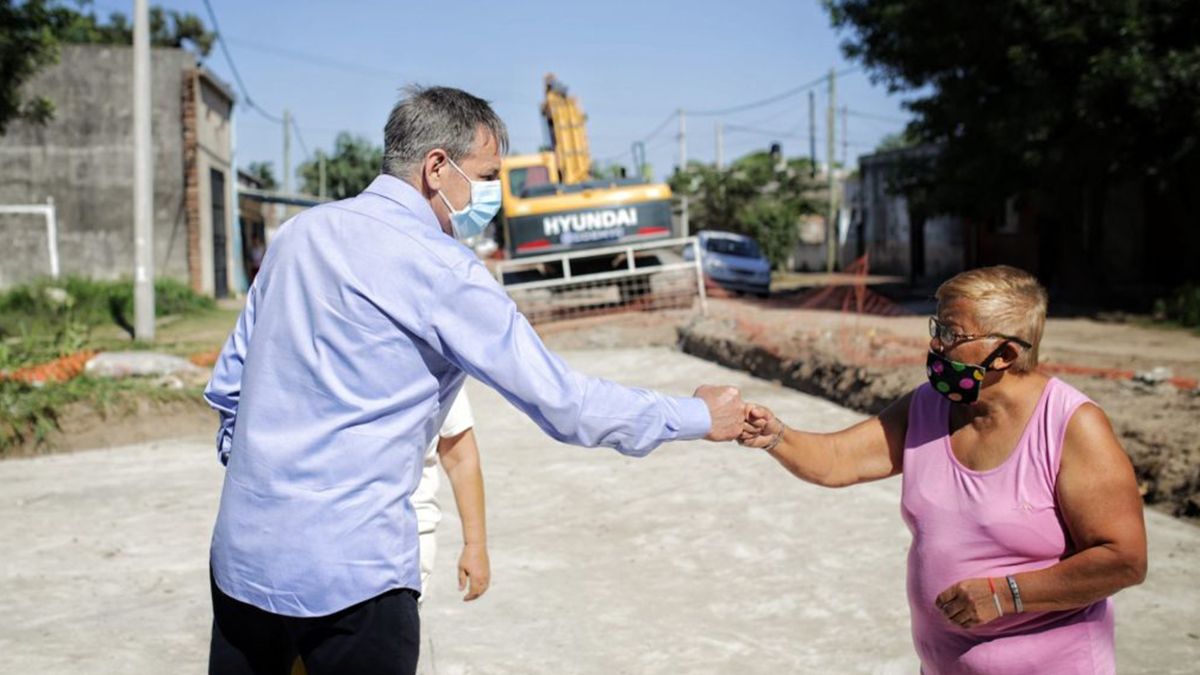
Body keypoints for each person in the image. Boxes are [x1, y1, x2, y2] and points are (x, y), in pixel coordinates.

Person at [203, 84, 745, 675]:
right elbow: (564, 402)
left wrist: (270, 493)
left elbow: (230, 385)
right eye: (487, 176)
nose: (492, 194)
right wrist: (696, 415)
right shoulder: (441, 269)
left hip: (243, 562)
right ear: (438, 167)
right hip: (353, 579)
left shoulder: (298, 236)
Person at [739, 265, 1147, 674]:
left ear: (1004, 354)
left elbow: (1124, 559)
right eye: (937, 327)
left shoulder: (1070, 426)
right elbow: (837, 460)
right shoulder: (926, 407)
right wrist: (776, 435)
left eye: (952, 334)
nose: (935, 344)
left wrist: (1008, 595)